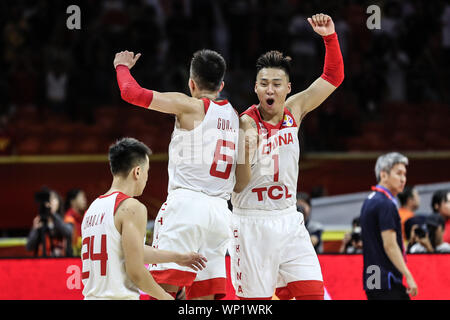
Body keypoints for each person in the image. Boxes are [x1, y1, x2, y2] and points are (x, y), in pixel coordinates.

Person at [231, 13, 344, 300]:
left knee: (313, 295)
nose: (270, 89)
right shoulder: (246, 124)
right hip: (252, 222)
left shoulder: (295, 110)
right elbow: (238, 186)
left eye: (277, 83)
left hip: (288, 219)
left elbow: (333, 77)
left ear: (288, 88)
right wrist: (245, 152)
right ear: (255, 88)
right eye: (264, 83)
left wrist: (330, 38)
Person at [114, 49, 239, 300]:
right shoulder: (236, 116)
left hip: (187, 207)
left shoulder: (189, 106)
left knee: (161, 290)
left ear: (191, 83)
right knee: (202, 298)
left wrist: (121, 67)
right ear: (221, 85)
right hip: (220, 213)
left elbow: (131, 93)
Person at [81, 137, 207, 300]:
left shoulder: (93, 209)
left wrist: (178, 258)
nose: (146, 178)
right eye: (147, 172)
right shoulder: (132, 207)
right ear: (138, 172)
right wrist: (166, 298)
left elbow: (128, 251)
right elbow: (136, 271)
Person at [359, 152, 418, 300]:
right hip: (387, 279)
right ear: (383, 175)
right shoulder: (386, 204)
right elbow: (390, 245)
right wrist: (408, 275)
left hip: (372, 278)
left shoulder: (369, 200)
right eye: (398, 173)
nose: (403, 179)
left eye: (405, 174)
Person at [26, 187, 73, 257]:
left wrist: (52, 214)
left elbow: (68, 232)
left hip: (63, 262)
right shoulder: (39, 221)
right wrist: (35, 229)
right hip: (43, 263)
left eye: (53, 198)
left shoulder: (67, 219)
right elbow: (29, 247)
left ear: (59, 201)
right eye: (48, 199)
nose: (50, 202)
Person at [64, 188, 87, 256]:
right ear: (72, 201)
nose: (85, 200)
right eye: (82, 198)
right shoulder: (68, 219)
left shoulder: (85, 216)